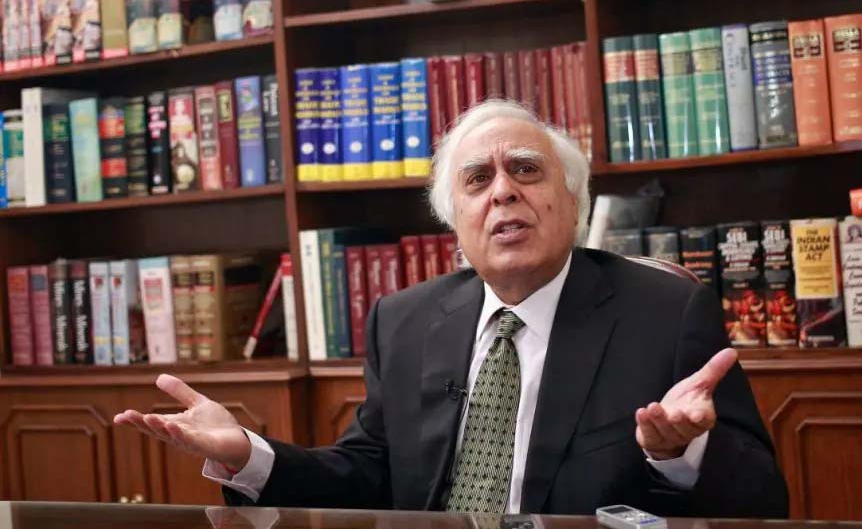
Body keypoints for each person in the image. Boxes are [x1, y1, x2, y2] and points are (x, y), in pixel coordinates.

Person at [115, 100, 788, 517]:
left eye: (526, 170)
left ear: (572, 202)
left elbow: (764, 502)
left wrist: (682, 452)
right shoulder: (405, 320)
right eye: (477, 180)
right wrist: (248, 454)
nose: (503, 192)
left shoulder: (665, 313)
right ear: (454, 221)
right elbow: (367, 475)